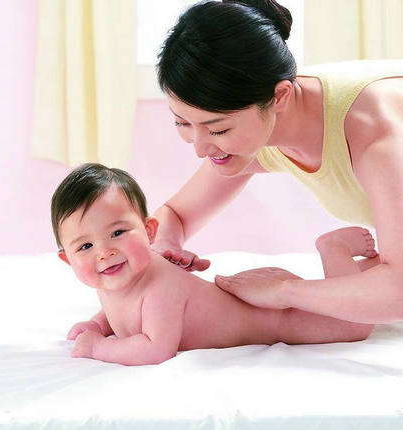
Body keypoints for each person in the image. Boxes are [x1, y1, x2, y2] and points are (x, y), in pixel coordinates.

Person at [152, 0, 403, 324]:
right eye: (182, 123)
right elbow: (175, 215)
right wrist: (166, 244)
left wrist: (284, 290)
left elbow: (398, 292)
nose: (200, 149)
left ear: (280, 96)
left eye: (218, 129)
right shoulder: (257, 120)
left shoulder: (374, 137)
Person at [52, 163, 374, 366]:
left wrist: (98, 348)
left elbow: (155, 349)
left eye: (118, 233)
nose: (104, 253)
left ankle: (335, 249)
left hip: (276, 315)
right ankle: (365, 273)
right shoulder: (114, 277)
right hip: (252, 295)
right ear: (68, 259)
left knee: (354, 325)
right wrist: (98, 325)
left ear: (149, 231)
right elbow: (121, 308)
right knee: (332, 301)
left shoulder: (160, 287)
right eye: (85, 246)